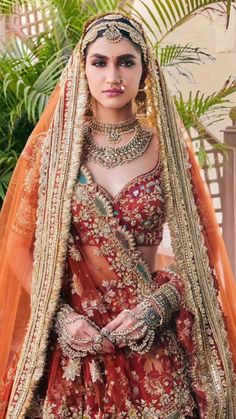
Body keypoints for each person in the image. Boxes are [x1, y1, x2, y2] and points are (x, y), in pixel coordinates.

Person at [0, 12, 236, 419]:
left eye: (126, 61)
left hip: (151, 342)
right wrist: (60, 317)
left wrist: (158, 306)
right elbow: (18, 247)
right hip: (75, 346)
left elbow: (202, 254)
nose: (113, 75)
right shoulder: (53, 154)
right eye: (100, 61)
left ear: (145, 70)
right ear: (82, 69)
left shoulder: (170, 152)